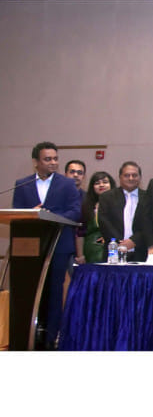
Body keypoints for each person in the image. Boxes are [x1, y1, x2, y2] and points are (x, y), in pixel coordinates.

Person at [12, 141, 81, 349]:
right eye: (47, 159)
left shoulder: (67, 184)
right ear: (36, 162)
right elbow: (16, 212)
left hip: (59, 245)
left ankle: (51, 338)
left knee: (54, 291)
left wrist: (48, 216)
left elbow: (75, 212)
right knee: (29, 290)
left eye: (55, 159)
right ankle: (27, 337)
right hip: (29, 247)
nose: (53, 163)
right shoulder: (22, 184)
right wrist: (31, 213)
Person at [98, 162, 153, 263]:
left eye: (134, 175)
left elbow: (151, 223)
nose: (131, 178)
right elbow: (104, 222)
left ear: (140, 177)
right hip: (113, 251)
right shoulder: (107, 197)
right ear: (120, 177)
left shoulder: (148, 197)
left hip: (140, 252)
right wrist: (120, 242)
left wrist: (134, 241)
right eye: (127, 175)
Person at [76, 171, 116, 263]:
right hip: (91, 251)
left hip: (114, 249)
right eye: (97, 183)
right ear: (92, 187)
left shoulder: (121, 205)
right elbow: (80, 234)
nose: (101, 185)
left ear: (111, 184)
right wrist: (80, 256)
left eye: (105, 182)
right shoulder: (86, 206)